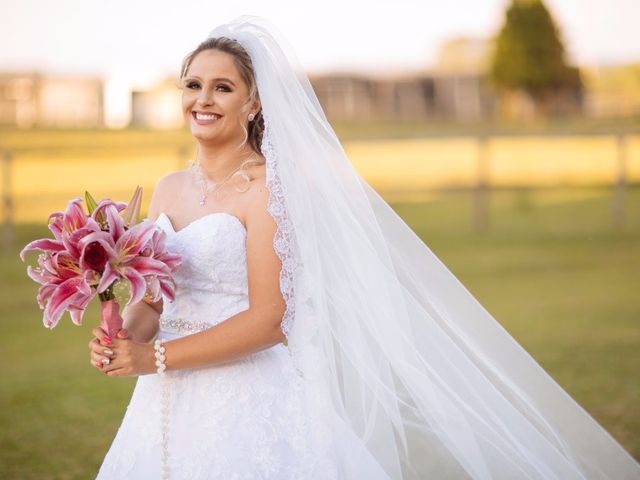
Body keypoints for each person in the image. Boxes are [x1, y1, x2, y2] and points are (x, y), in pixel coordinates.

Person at [90, 15, 640, 480]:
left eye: (222, 87)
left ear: (254, 103)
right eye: (193, 84)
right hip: (162, 401)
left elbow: (270, 320)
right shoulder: (167, 188)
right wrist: (123, 336)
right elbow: (156, 302)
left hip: (242, 396)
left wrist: (154, 356)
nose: (202, 99)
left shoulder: (268, 193)